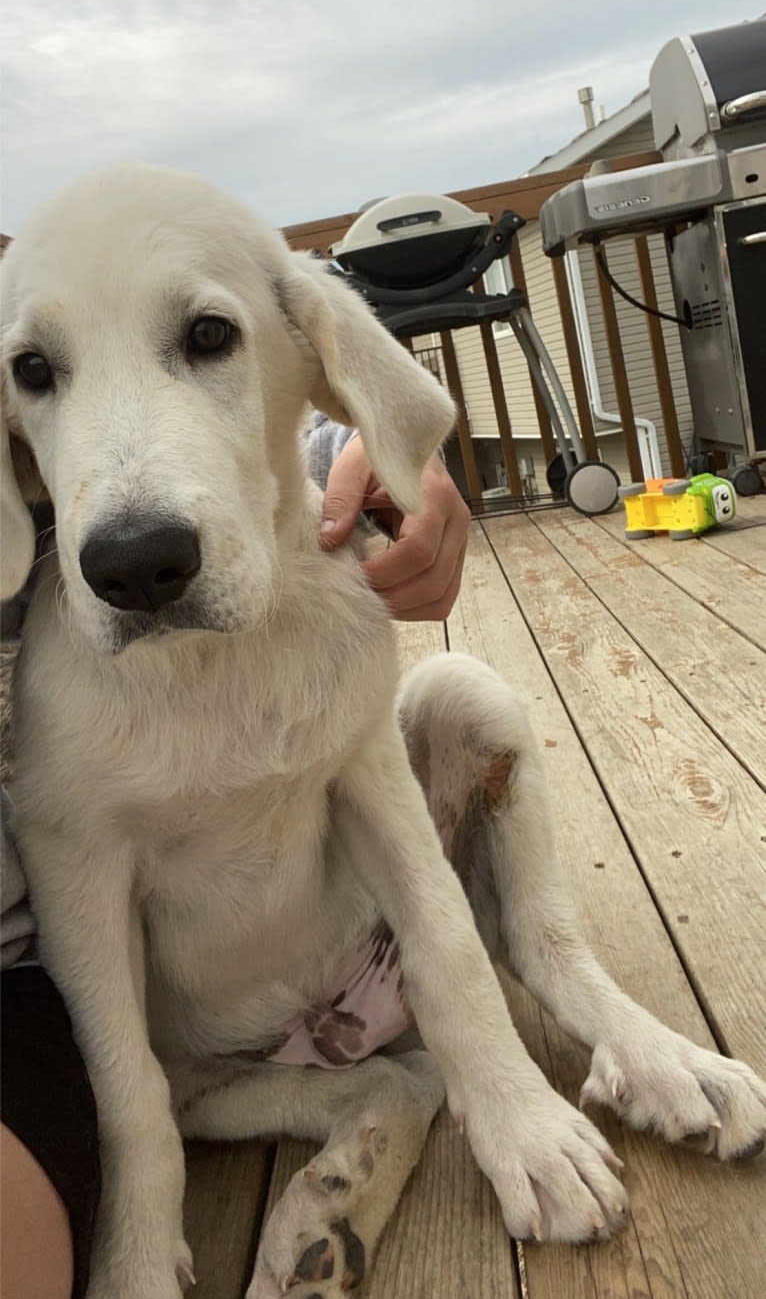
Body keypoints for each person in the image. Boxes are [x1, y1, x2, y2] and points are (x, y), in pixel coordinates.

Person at [0, 423, 470, 1299]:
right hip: (166, 1016)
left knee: (471, 708)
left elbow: (185, 350)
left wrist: (369, 440)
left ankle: (593, 1017)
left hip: (278, 932)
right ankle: (381, 1098)